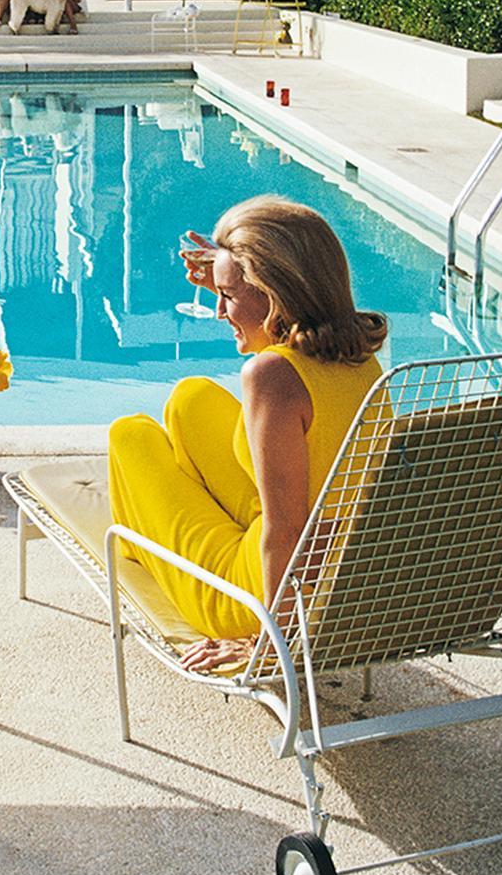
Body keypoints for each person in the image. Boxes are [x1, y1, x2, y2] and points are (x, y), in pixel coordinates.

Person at [107, 197, 388, 673]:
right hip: (340, 562)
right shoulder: (357, 354)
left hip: (262, 595)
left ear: (274, 294)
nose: (219, 311)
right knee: (190, 397)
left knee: (131, 436)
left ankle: (149, 546)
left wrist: (264, 639)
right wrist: (225, 276)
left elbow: (285, 532)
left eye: (229, 297)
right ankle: (194, 526)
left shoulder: (274, 376)